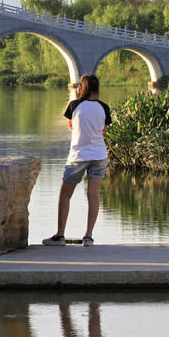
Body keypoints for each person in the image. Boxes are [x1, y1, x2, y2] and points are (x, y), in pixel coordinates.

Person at [42, 73, 112, 247]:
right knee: (93, 195)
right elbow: (103, 131)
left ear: (82, 87)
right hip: (99, 155)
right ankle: (88, 237)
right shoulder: (104, 107)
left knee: (65, 195)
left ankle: (60, 235)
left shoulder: (74, 105)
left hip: (78, 156)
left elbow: (71, 126)